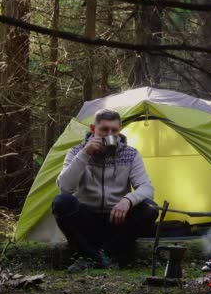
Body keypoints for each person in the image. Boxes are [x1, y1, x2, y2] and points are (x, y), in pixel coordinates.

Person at [53, 109, 158, 272]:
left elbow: (147, 188)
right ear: (93, 129)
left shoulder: (131, 154)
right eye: (104, 130)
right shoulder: (76, 152)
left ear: (119, 131)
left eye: (114, 130)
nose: (109, 134)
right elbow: (65, 188)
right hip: (87, 220)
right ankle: (98, 258)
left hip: (116, 220)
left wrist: (128, 200)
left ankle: (101, 254)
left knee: (150, 209)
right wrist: (85, 154)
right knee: (61, 203)